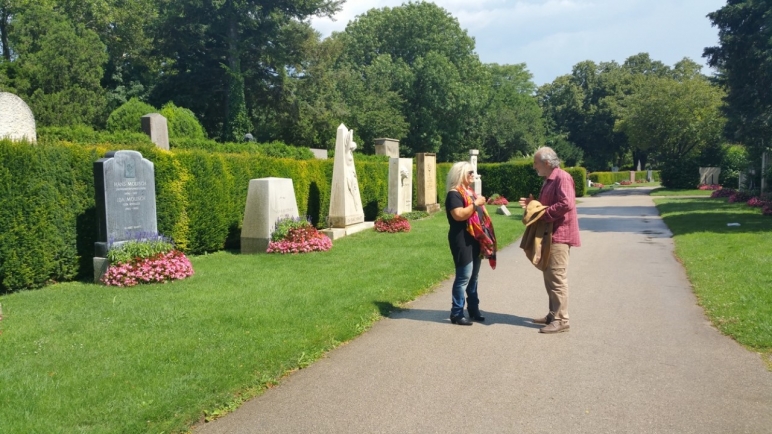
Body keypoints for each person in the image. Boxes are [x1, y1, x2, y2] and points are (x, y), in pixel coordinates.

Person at [519, 147, 581, 334]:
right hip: (550, 235)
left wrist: (543, 214)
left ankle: (562, 320)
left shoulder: (561, 177)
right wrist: (533, 204)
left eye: (535, 163)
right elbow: (550, 203)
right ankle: (553, 314)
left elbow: (566, 203)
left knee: (556, 278)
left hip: (559, 236)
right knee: (549, 276)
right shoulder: (549, 179)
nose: (534, 167)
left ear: (546, 163)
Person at [445, 162, 496, 326]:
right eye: (470, 172)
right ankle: (457, 313)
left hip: (475, 239)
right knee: (463, 277)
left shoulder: (471, 193)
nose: (473, 175)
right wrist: (475, 205)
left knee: (473, 277)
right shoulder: (454, 194)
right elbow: (459, 215)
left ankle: (473, 310)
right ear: (460, 174)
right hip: (462, 239)